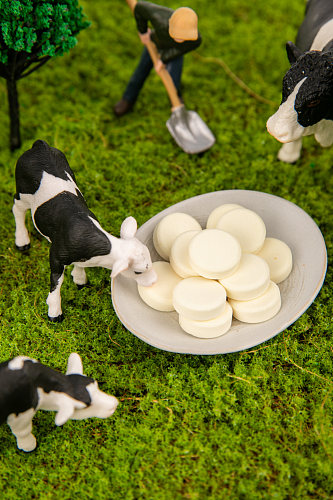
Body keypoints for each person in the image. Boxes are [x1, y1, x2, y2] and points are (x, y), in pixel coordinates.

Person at [114, 2, 201, 116]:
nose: (180, 38)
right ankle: (128, 99)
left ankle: (176, 101)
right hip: (155, 44)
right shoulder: (160, 18)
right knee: (140, 72)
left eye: (183, 37)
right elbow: (139, 8)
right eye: (177, 35)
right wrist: (143, 32)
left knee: (174, 78)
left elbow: (183, 48)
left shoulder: (194, 40)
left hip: (174, 52)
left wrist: (163, 59)